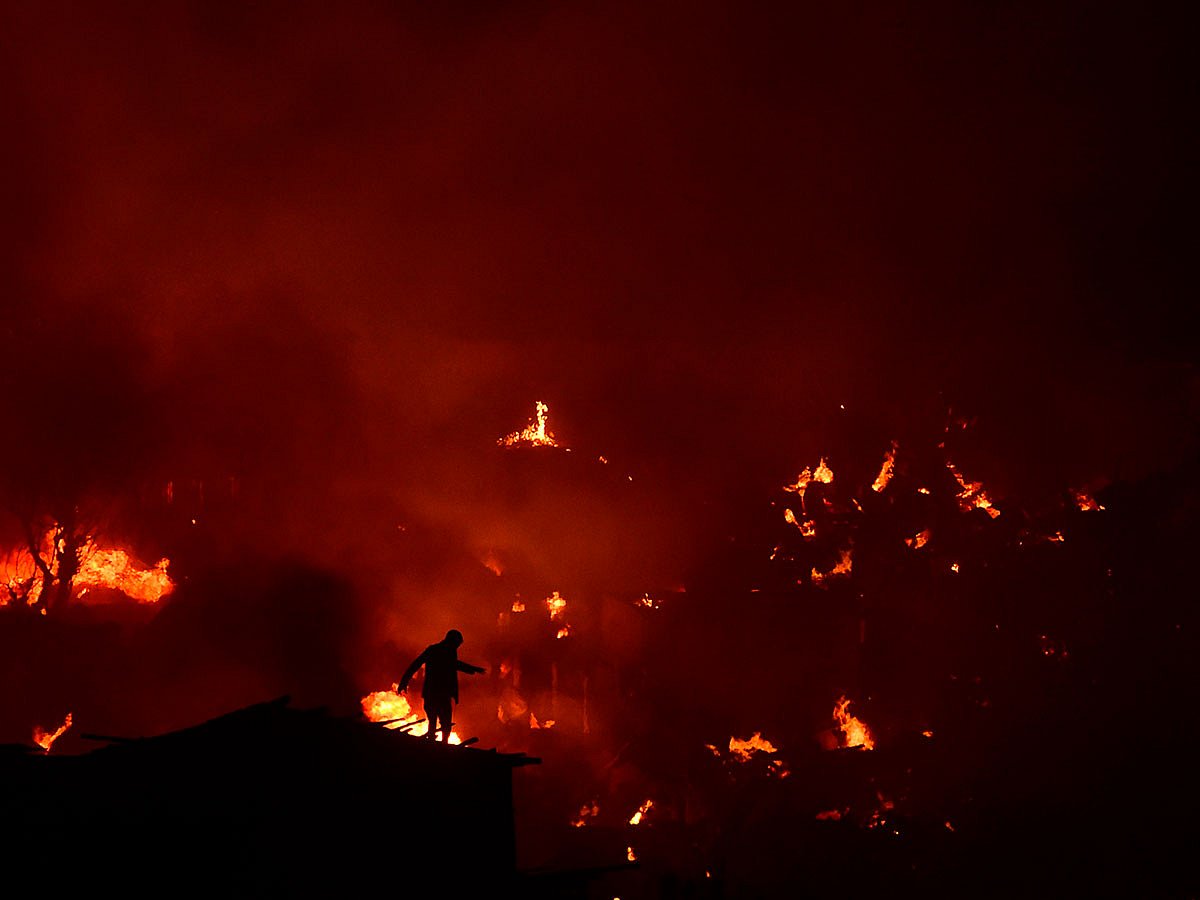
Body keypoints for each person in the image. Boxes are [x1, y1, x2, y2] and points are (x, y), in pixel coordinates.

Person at [399, 629, 485, 741]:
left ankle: (437, 745)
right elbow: (417, 664)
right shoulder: (437, 651)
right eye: (457, 644)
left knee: (439, 722)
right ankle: (439, 747)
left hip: (436, 693)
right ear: (452, 641)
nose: (457, 647)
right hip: (437, 693)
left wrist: (404, 681)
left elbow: (453, 664)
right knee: (442, 723)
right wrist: (404, 682)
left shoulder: (441, 651)